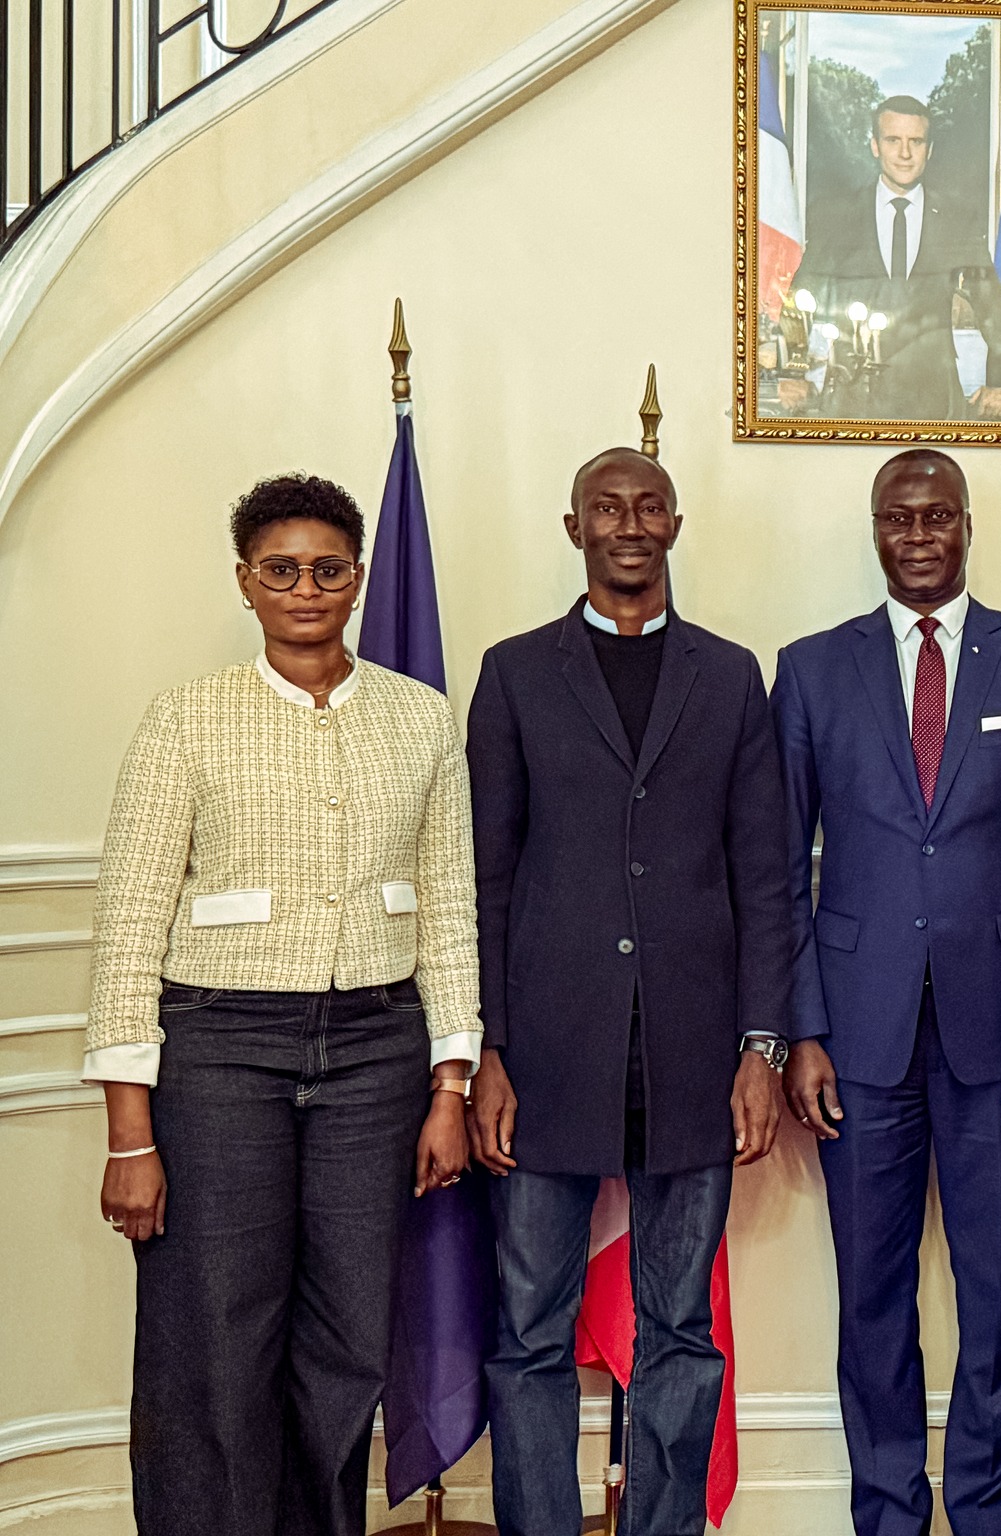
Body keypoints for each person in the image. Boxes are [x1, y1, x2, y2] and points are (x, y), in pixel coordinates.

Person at [88, 474, 475, 1536]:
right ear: (247, 583)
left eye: (329, 568)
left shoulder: (421, 718)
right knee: (212, 1331)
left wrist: (450, 1083)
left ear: (357, 580)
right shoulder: (187, 717)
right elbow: (128, 925)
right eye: (281, 569)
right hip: (219, 1049)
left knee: (348, 1337)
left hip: (375, 1058)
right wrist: (130, 1133)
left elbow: (448, 912)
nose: (306, 587)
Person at [771, 448, 1001, 1536]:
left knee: (995, 1297)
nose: (916, 536)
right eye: (896, 519)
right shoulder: (811, 670)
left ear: (967, 525)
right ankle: (886, 1514)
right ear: (874, 529)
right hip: (854, 1042)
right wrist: (802, 1031)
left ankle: (989, 1515)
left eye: (936, 516)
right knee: (872, 1303)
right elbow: (780, 866)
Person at [465, 447, 790, 1536]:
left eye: (648, 505)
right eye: (607, 507)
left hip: (695, 1054)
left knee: (681, 1329)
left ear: (676, 525)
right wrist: (489, 1052)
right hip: (547, 1055)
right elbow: (487, 871)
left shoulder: (730, 673)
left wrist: (762, 1048)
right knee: (527, 1330)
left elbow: (765, 873)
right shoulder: (513, 674)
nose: (629, 524)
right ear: (573, 530)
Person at [788, 95, 1001, 421]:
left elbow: (991, 305)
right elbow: (801, 297)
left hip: (934, 397)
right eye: (893, 140)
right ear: (875, 146)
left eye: (916, 141)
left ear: (930, 150)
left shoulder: (956, 218)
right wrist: (793, 373)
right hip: (853, 395)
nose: (905, 153)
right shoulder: (838, 217)